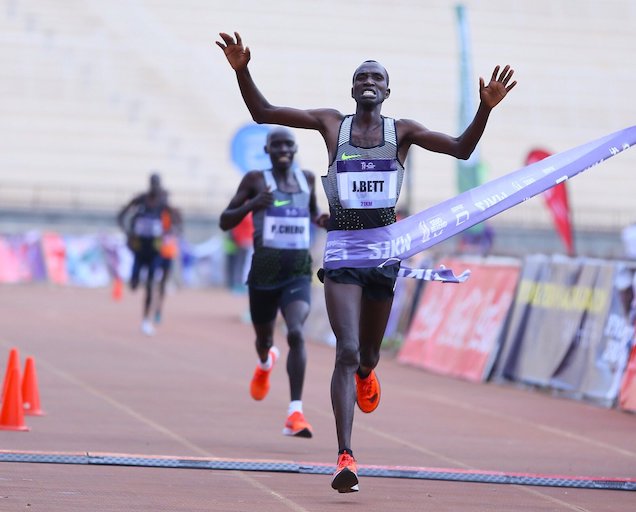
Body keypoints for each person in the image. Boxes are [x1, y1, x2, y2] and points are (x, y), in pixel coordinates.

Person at [217, 31, 516, 493]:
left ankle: (367, 372)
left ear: (387, 91)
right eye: (361, 77)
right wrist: (243, 71)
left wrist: (485, 110)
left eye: (376, 77)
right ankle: (345, 456)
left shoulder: (404, 132)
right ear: (352, 89)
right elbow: (263, 113)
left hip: (384, 253)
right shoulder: (331, 124)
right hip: (341, 251)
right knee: (347, 349)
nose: (368, 82)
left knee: (368, 355)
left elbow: (461, 149)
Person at [219, 126, 328, 439]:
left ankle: (295, 412)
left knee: (296, 331)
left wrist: (321, 219)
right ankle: (266, 362)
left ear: (295, 150)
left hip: (297, 269)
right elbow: (225, 220)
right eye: (276, 145)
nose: (283, 149)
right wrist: (252, 205)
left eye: (288, 144)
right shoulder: (255, 180)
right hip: (264, 271)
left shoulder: (306, 179)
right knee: (264, 340)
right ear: (267, 151)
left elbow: (312, 213)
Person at [117, 172, 172, 336]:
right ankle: (134, 280)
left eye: (158, 183)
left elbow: (173, 220)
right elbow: (121, 215)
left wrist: (167, 232)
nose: (156, 186)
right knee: (134, 284)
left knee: (150, 284)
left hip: (155, 249)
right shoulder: (141, 199)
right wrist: (128, 232)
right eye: (153, 183)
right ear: (150, 184)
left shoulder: (163, 203)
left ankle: (146, 320)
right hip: (139, 248)